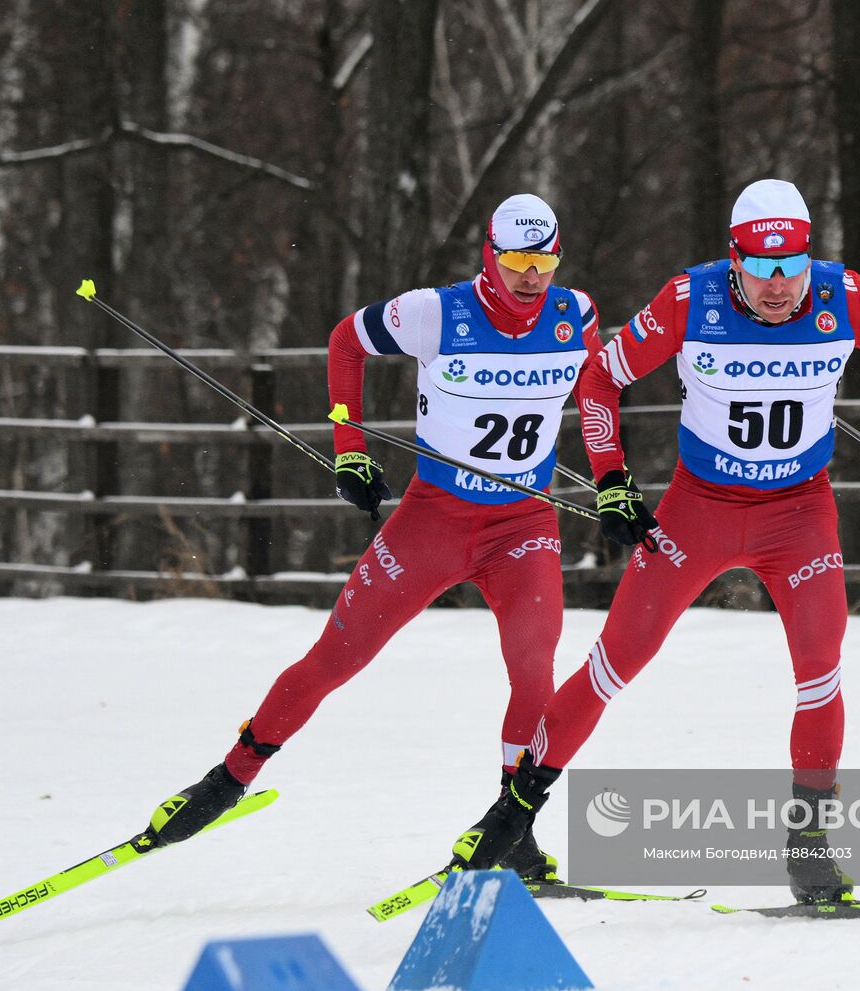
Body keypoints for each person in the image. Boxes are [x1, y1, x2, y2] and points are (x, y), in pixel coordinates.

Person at [448, 178, 860, 903]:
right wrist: (612, 480)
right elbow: (600, 380)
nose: (777, 285)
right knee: (615, 661)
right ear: (734, 259)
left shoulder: (845, 296)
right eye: (760, 268)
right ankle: (512, 817)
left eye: (790, 266)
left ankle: (809, 849)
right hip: (699, 511)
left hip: (798, 514)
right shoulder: (689, 299)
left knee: (821, 666)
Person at [142, 194, 603, 882]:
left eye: (545, 260)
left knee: (535, 669)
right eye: (516, 260)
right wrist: (349, 450)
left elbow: (599, 390)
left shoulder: (576, 315)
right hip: (433, 521)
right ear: (490, 255)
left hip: (523, 525)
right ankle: (226, 779)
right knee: (335, 658)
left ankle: (514, 829)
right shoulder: (436, 312)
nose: (532, 275)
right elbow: (345, 342)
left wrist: (612, 477)